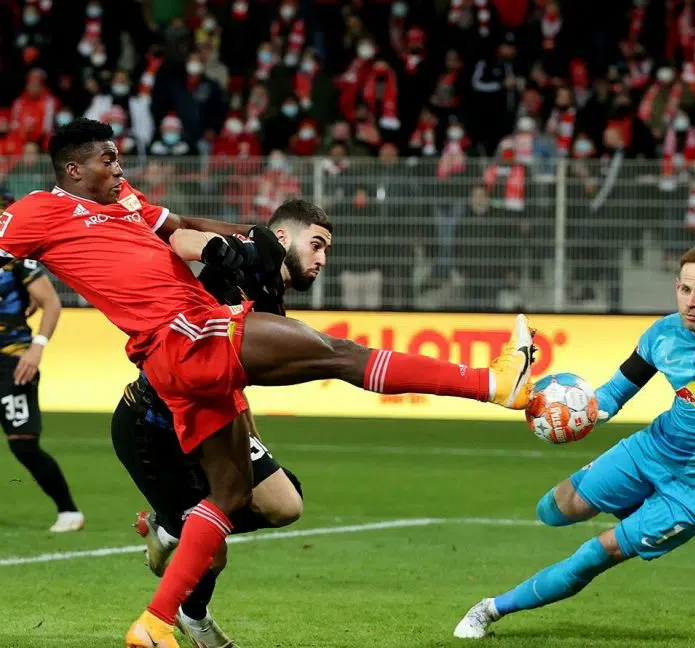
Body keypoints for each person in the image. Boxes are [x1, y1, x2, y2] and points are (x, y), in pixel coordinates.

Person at [0, 118, 535, 648]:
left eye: (119, 158)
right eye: (108, 160)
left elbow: (178, 227)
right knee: (339, 354)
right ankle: (493, 383)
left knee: (231, 494)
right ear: (73, 169)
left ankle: (155, 623)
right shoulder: (37, 212)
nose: (120, 168)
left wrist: (236, 239)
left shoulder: (126, 201)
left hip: (186, 354)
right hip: (183, 334)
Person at [454, 245, 695, 639]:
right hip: (654, 450)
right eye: (685, 290)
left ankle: (489, 609)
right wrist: (576, 411)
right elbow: (615, 393)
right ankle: (641, 511)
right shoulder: (662, 335)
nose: (691, 302)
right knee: (553, 509)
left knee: (595, 554)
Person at [112, 202, 324, 648]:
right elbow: (181, 239)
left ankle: (171, 527)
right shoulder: (239, 260)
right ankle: (190, 614)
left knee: (286, 502)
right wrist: (211, 248)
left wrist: (251, 437)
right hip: (155, 426)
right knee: (213, 552)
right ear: (281, 238)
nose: (322, 259)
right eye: (317, 244)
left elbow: (231, 379)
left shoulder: (270, 303)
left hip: (213, 422)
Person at [0, 189, 83, 533]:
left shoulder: (17, 256)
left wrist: (37, 348)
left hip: (11, 360)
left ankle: (69, 511)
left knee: (24, 445)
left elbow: (50, 302)